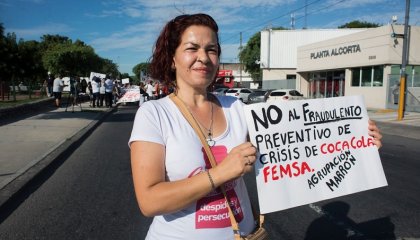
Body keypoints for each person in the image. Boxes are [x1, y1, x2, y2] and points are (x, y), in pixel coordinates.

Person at [129, 13, 383, 240]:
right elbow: (150, 201)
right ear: (172, 58)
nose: (203, 58)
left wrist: (355, 140)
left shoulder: (236, 107)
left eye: (212, 50)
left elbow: (294, 148)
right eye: (192, 48)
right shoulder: (154, 113)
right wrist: (221, 173)